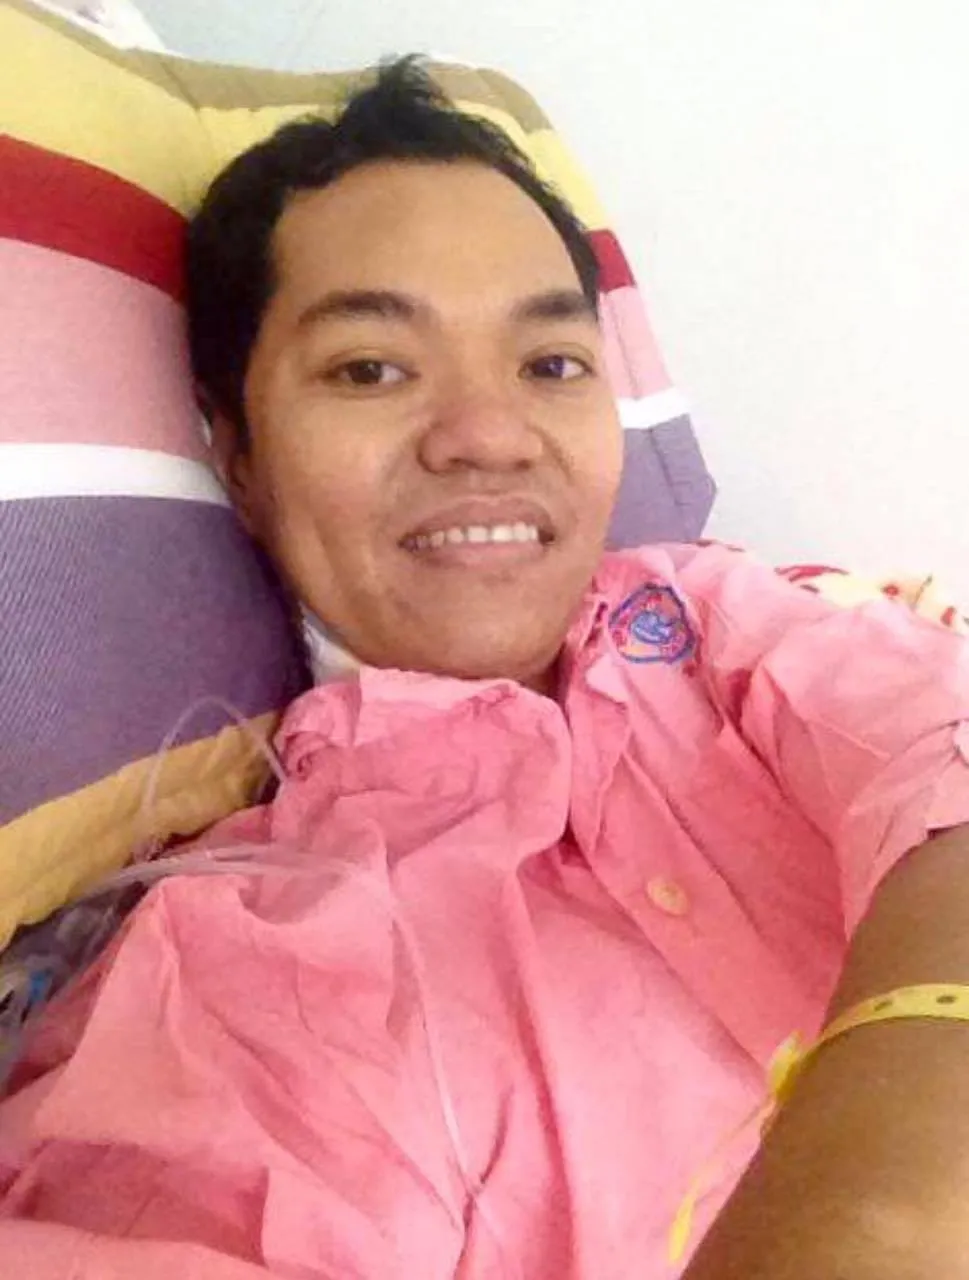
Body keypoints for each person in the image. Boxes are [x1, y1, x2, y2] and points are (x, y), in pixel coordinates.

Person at [1, 58, 968, 1280]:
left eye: (551, 364)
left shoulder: (726, 618)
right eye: (371, 367)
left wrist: (887, 1195)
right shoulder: (243, 969)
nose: (490, 436)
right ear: (235, 451)